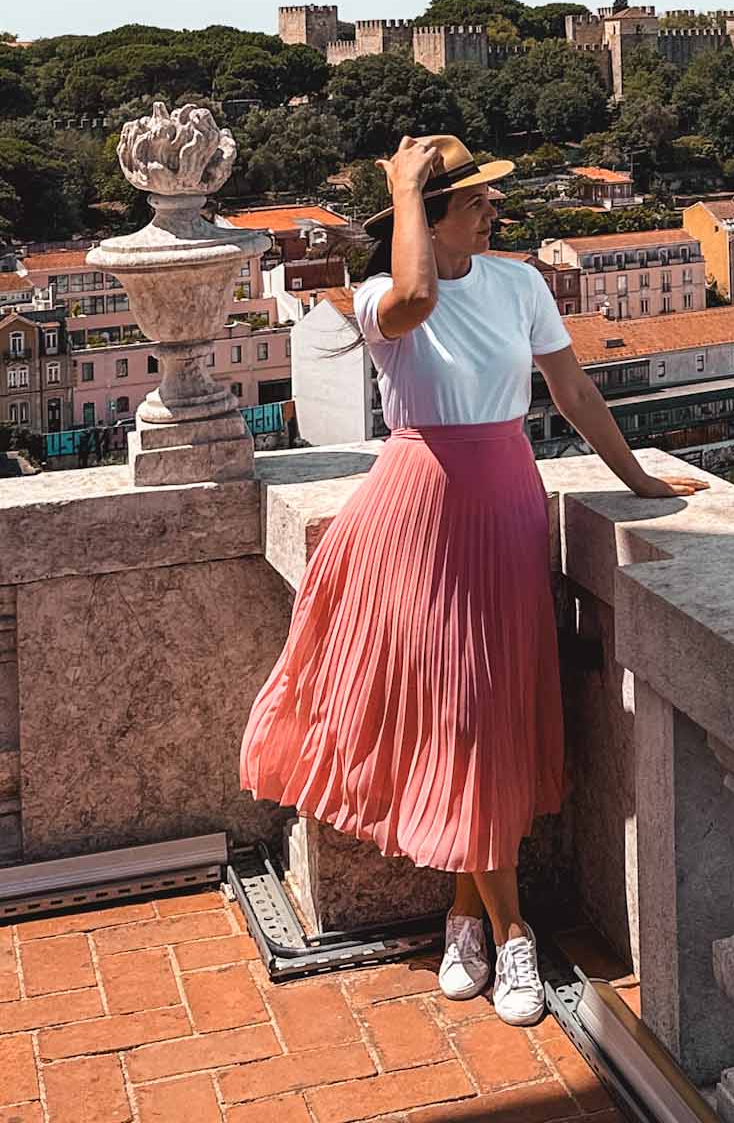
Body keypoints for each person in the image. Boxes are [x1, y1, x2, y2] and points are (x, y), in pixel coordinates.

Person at [240, 133, 704, 1023]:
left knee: (483, 714)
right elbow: (417, 293)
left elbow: (572, 393)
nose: (497, 209)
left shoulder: (520, 283)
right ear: (430, 213)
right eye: (477, 200)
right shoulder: (379, 296)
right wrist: (402, 188)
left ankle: (464, 914)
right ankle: (517, 934)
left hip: (504, 507)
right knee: (459, 711)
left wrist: (637, 479)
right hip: (418, 514)